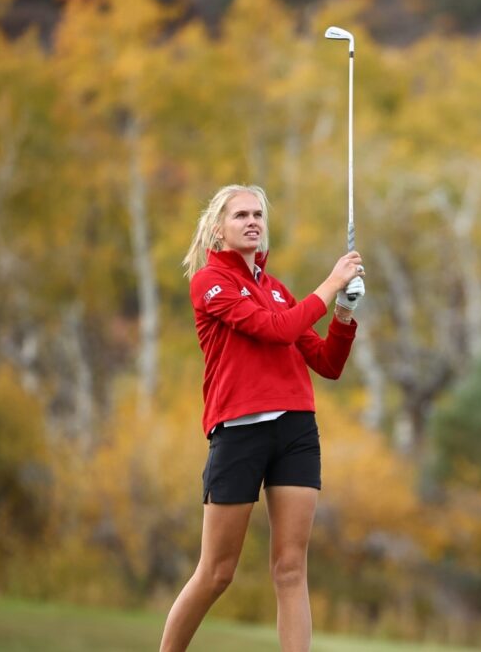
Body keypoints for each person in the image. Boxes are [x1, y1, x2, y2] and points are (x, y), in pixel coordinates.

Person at [160, 184, 365, 652]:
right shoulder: (210, 282)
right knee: (217, 572)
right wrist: (329, 284)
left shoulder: (276, 290)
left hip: (296, 431)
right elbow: (275, 331)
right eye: (241, 216)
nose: (252, 221)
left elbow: (328, 363)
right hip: (238, 432)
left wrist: (346, 309)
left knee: (291, 567)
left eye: (257, 215)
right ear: (219, 229)